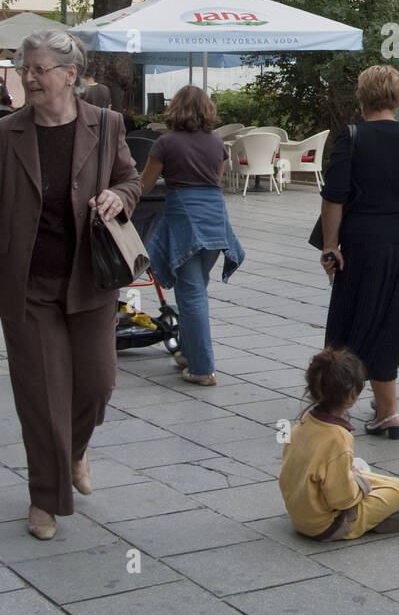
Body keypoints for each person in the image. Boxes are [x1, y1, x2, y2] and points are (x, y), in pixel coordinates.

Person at [0, 29, 140, 540]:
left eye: (38, 69)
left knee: (97, 385)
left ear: (69, 75)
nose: (29, 78)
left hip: (89, 281)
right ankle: (44, 498)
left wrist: (118, 199)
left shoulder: (106, 126)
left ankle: (75, 451)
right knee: (40, 396)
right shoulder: (7, 133)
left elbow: (131, 180)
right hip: (28, 285)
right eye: (24, 69)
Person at [319, 65, 399, 439]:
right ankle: (383, 403)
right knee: (392, 321)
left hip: (364, 244)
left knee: (361, 322)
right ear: (397, 98)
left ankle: (385, 411)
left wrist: (330, 246)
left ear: (362, 96)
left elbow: (334, 199)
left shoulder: (352, 137)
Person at [139, 86, 245, 386]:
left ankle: (202, 368)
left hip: (185, 219)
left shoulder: (166, 143)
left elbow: (144, 185)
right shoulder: (216, 143)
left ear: (176, 109)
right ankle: (187, 352)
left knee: (191, 293)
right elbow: (215, 181)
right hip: (216, 221)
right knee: (197, 285)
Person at [279, 347, 399, 539]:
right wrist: (360, 487)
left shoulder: (301, 425)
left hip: (301, 514)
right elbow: (342, 500)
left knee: (358, 465)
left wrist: (356, 478)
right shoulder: (338, 438)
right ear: (350, 397)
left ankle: (378, 515)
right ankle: (374, 519)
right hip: (329, 525)